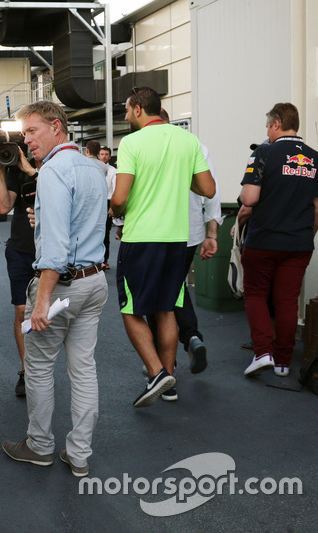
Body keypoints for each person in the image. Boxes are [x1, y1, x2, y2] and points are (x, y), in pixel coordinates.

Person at [1, 101, 108, 478]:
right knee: (83, 370)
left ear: (57, 127)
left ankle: (40, 445)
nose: (25, 140)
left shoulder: (52, 172)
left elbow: (58, 251)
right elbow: (85, 222)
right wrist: (42, 221)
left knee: (40, 367)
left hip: (63, 287)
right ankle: (79, 454)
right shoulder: (94, 167)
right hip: (95, 281)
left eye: (32, 131)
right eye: (24, 133)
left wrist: (41, 301)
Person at [110, 87, 215, 408]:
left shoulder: (131, 143)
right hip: (176, 239)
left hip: (141, 239)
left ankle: (156, 372)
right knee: (166, 308)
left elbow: (119, 198)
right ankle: (168, 381)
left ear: (139, 109)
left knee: (130, 309)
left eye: (128, 110)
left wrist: (116, 212)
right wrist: (183, 179)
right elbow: (208, 189)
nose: (126, 116)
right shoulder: (188, 141)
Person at [144, 109, 222, 395]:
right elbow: (212, 191)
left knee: (158, 299)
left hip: (155, 233)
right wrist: (212, 234)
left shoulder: (143, 143)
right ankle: (190, 337)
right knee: (174, 289)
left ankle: (163, 370)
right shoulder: (195, 145)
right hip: (190, 233)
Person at [240, 103, 318, 377]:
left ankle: (263, 352)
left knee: (256, 294)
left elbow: (249, 199)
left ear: (276, 123)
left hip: (264, 239)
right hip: (299, 243)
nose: (267, 131)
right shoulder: (315, 158)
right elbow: (317, 208)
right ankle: (284, 362)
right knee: (287, 300)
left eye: (267, 126)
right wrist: (307, 237)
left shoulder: (264, 153)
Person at [0, 149, 38, 396]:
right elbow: (3, 206)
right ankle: (26, 370)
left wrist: (30, 169)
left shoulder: (54, 163)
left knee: (54, 314)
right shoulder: (13, 169)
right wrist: (0, 168)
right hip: (21, 250)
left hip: (51, 251)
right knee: (22, 310)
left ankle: (43, 368)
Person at [85, 140, 116, 268]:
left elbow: (115, 189)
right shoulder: (88, 165)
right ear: (98, 154)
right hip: (92, 201)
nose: (104, 156)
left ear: (109, 156)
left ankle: (104, 259)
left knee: (104, 233)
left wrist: (113, 208)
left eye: (106, 154)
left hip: (107, 202)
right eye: (102, 154)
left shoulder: (112, 170)